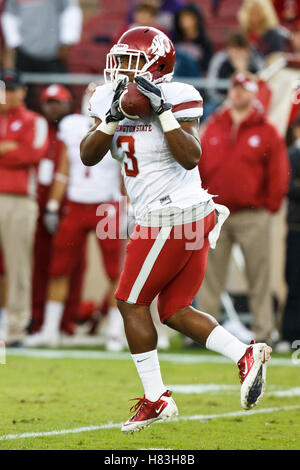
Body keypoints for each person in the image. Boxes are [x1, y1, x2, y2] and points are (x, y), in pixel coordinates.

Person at [80, 26, 272, 434]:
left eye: (132, 62)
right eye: (121, 60)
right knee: (174, 310)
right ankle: (245, 355)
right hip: (179, 215)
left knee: (130, 302)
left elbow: (191, 157)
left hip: (172, 215)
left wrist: (161, 110)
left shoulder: (179, 95)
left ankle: (156, 398)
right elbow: (88, 154)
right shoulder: (104, 96)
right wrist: (111, 119)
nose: (122, 70)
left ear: (158, 64)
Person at [198, 72, 290, 343]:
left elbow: (278, 171)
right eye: (234, 88)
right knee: (209, 275)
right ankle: (204, 333)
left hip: (253, 214)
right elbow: (200, 165)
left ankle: (263, 332)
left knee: (258, 275)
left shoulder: (266, 130)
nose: (237, 93)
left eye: (243, 89)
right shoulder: (213, 125)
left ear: (252, 94)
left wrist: (269, 207)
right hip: (215, 213)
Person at [25, 97, 124, 350]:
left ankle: (114, 331)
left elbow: (127, 171)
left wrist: (128, 206)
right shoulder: (71, 126)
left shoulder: (121, 126)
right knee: (59, 267)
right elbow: (64, 170)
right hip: (76, 203)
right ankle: (50, 329)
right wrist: (53, 206)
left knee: (115, 270)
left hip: (106, 205)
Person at [30, 84, 85, 338]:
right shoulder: (41, 130)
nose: (53, 107)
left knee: (73, 266)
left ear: (69, 104)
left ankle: (67, 323)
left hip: (71, 207)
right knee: (43, 266)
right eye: (49, 102)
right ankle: (40, 320)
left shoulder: (75, 130)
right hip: (42, 209)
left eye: (58, 102)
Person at [0, 70, 48, 346]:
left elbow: (31, 153)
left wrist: (11, 150)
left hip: (19, 198)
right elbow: (20, 152)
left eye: (12, 89)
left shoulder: (35, 120)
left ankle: (17, 328)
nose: (7, 95)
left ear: (23, 92)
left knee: (18, 265)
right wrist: (8, 148)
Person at [276, 119, 300, 351]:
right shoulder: (292, 155)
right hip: (296, 228)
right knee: (294, 283)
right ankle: (289, 335)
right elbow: (287, 186)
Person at [207, 31, 265, 106]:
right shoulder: (220, 60)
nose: (238, 54)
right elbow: (211, 90)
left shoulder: (256, 60)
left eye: (241, 50)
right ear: (228, 50)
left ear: (248, 51)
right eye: (234, 49)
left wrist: (244, 72)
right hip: (221, 102)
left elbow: (263, 83)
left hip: (251, 103)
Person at [172, 3, 214, 75]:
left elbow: (207, 66)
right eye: (182, 17)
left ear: (196, 19)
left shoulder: (205, 43)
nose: (184, 21)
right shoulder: (176, 41)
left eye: (188, 17)